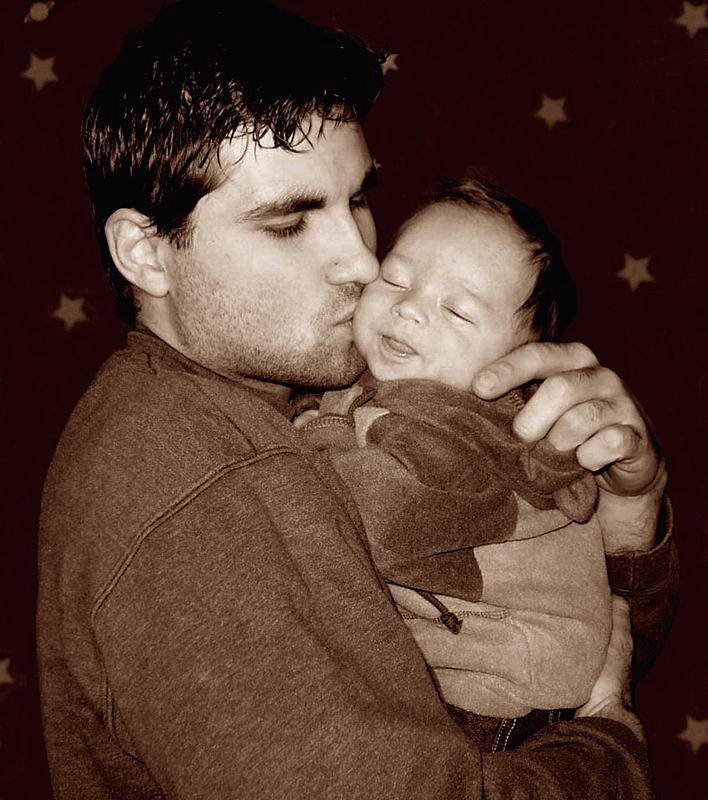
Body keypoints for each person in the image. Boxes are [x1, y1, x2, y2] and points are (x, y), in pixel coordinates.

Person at [36, 1, 677, 798]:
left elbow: (572, 640)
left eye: (359, 201)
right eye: (290, 223)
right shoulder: (199, 488)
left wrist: (627, 505)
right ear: (146, 252)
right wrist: (607, 754)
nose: (365, 264)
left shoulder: (302, 400)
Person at [296, 175, 615, 751]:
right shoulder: (382, 384)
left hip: (499, 697)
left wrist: (314, 431)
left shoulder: (470, 432)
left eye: (457, 312)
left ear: (518, 366)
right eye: (395, 278)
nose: (409, 308)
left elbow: (369, 519)